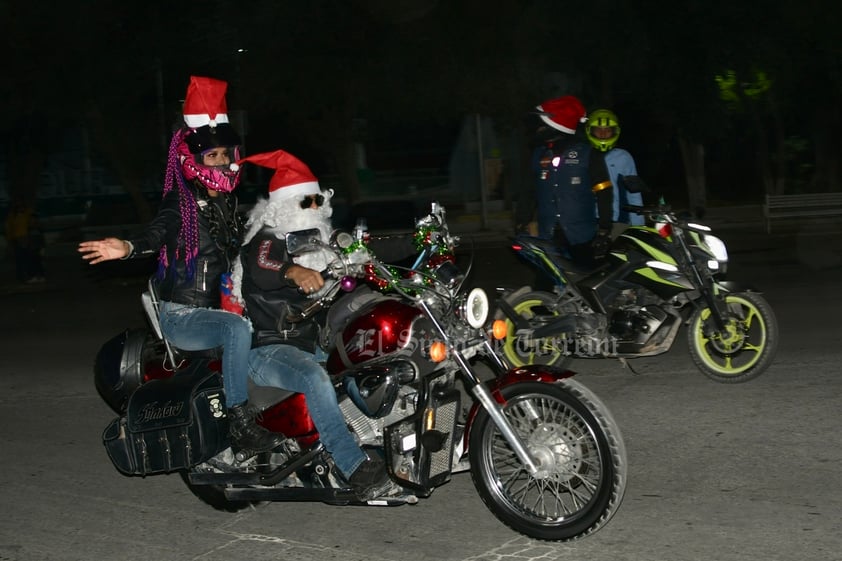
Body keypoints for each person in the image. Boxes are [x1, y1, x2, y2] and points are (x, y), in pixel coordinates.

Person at [77, 76, 282, 455]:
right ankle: (239, 422)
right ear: (192, 162)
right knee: (236, 329)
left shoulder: (226, 206)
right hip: (184, 316)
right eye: (213, 157)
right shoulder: (180, 205)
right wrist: (126, 247)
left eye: (227, 155)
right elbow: (154, 235)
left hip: (219, 308)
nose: (224, 163)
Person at [231, 149, 392, 500]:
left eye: (321, 199)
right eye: (310, 200)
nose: (318, 207)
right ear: (287, 204)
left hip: (313, 341)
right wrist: (294, 271)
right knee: (314, 378)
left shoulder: (318, 242)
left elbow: (355, 263)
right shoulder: (267, 241)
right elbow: (264, 266)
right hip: (270, 347)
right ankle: (352, 466)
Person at [514, 95, 614, 266]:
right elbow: (529, 191)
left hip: (581, 235)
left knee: (585, 282)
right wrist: (521, 221)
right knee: (545, 287)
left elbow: (604, 193)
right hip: (548, 234)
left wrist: (604, 228)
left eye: (541, 125)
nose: (537, 129)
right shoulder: (538, 154)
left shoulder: (588, 153)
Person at [585, 108, 644, 237]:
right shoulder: (583, 156)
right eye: (598, 130)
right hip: (588, 220)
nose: (603, 134)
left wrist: (639, 226)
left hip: (618, 220)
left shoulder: (623, 157)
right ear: (590, 131)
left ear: (614, 132)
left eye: (607, 130)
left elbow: (634, 193)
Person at [4, 199, 46, 283]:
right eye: (18, 205)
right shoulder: (12, 215)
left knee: (31, 258)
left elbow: (33, 223)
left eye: (21, 205)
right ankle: (23, 277)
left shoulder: (28, 213)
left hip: (27, 238)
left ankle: (34, 275)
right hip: (17, 239)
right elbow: (9, 228)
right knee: (19, 259)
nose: (19, 207)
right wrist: (10, 239)